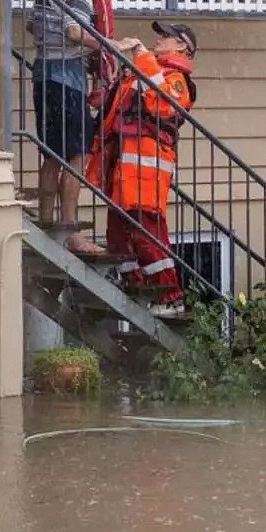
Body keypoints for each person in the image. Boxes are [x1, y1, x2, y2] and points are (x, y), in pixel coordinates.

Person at [27, 0, 140, 255]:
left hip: (44, 73)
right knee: (75, 156)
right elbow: (73, 32)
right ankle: (68, 230)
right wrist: (112, 46)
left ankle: (47, 222)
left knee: (52, 154)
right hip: (66, 78)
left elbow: (32, 25)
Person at [85, 21, 198, 319]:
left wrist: (139, 53)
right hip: (124, 168)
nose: (158, 39)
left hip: (146, 171)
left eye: (166, 36)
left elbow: (164, 105)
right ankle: (133, 286)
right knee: (119, 234)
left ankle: (170, 297)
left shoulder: (175, 79)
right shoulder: (143, 72)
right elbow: (107, 105)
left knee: (148, 234)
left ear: (182, 47)